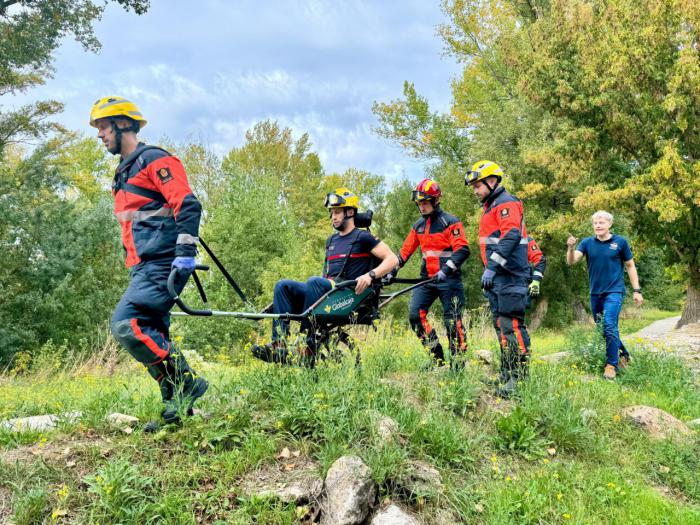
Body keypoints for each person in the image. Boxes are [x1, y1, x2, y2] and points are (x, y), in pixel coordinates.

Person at [90, 96, 208, 425]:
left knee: (127, 324)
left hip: (165, 263)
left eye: (102, 126)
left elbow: (187, 205)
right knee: (155, 332)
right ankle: (177, 410)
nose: (99, 134)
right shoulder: (122, 172)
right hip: (143, 267)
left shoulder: (154, 159)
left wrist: (185, 254)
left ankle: (186, 382)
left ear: (123, 123)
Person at [251, 188, 398, 365]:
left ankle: (307, 347)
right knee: (283, 285)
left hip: (347, 293)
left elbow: (392, 259)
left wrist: (370, 275)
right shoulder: (331, 241)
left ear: (350, 212)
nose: (333, 217)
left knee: (314, 282)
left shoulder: (363, 237)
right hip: (327, 291)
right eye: (332, 213)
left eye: (337, 212)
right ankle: (279, 345)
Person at [465, 161, 531, 397]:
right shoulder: (491, 206)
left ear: (492, 181)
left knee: (512, 325)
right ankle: (507, 372)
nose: (475, 190)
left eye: (477, 185)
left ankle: (520, 380)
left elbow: (511, 234)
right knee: (500, 326)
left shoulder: (506, 203)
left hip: (511, 274)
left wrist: (492, 266)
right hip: (498, 278)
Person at [394, 178, 470, 367]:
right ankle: (437, 359)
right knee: (415, 315)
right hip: (426, 280)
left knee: (452, 320)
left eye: (425, 202)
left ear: (436, 201)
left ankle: (458, 363)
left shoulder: (450, 222)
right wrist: (391, 271)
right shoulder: (418, 226)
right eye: (419, 203)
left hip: (449, 280)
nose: (421, 207)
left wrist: (445, 270)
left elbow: (462, 250)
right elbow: (403, 254)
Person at [566, 210, 643, 380]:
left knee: (609, 324)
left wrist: (637, 291)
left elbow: (630, 266)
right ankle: (625, 355)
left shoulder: (620, 242)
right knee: (603, 329)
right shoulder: (587, 243)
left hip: (614, 291)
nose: (598, 225)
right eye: (595, 223)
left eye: (601, 222)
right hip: (595, 293)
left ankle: (611, 366)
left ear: (609, 224)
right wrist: (570, 248)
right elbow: (571, 261)